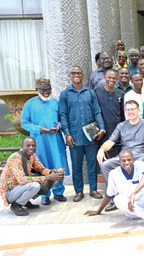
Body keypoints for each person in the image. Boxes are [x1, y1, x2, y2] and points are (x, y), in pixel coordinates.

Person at [84, 150, 144, 233]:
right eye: (123, 160)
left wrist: (134, 193)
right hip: (133, 209)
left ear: (134, 159)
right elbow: (109, 195)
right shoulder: (113, 174)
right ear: (119, 161)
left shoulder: (140, 165)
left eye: (129, 159)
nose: (126, 163)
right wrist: (98, 211)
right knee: (117, 199)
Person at [97, 100, 144, 211]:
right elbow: (110, 142)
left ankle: (139, 195)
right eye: (128, 110)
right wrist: (101, 149)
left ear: (138, 110)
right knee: (105, 165)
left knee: (139, 165)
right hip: (125, 157)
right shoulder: (121, 126)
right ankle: (115, 196)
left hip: (141, 155)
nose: (130, 112)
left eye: (133, 109)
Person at [59, 66, 106, 202]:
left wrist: (102, 128)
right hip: (74, 135)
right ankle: (78, 191)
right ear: (70, 75)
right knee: (77, 165)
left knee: (92, 164)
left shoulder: (90, 93)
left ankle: (93, 189)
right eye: (73, 73)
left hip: (91, 134)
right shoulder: (65, 94)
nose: (76, 75)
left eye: (78, 73)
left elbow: (97, 111)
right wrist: (67, 134)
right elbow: (63, 115)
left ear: (83, 75)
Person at [20, 79, 70, 206]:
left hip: (55, 140)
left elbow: (62, 119)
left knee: (58, 165)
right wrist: (39, 129)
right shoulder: (29, 104)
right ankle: (45, 194)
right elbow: (24, 123)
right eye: (43, 90)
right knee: (42, 166)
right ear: (37, 90)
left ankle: (58, 192)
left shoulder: (56, 103)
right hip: (39, 142)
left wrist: (59, 126)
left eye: (48, 89)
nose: (46, 92)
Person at [0, 138, 64, 216]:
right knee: (35, 185)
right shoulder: (15, 158)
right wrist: (48, 177)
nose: (31, 147)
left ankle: (24, 201)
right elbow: (22, 180)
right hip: (10, 192)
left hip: (20, 187)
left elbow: (41, 169)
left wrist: (52, 173)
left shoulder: (32, 155)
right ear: (22, 146)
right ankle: (16, 205)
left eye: (33, 145)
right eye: (28, 145)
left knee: (55, 180)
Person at [94, 69, 125, 157]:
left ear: (117, 79)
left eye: (114, 78)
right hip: (102, 132)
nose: (111, 80)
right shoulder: (97, 91)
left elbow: (122, 114)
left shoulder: (120, 93)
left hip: (117, 131)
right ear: (104, 77)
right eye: (109, 78)